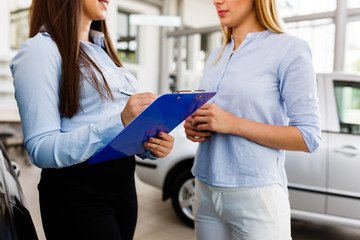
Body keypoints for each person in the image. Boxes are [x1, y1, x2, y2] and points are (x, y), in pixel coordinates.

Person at [10, 0, 174, 239]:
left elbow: (119, 126)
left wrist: (150, 144)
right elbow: (40, 148)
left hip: (123, 188)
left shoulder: (102, 50)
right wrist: (120, 120)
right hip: (77, 195)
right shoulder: (39, 51)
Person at [184, 0, 321, 239]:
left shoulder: (290, 49)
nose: (216, 1)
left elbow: (308, 137)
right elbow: (215, 117)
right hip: (204, 190)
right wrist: (196, 125)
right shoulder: (216, 54)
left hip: (256, 198)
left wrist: (233, 124)